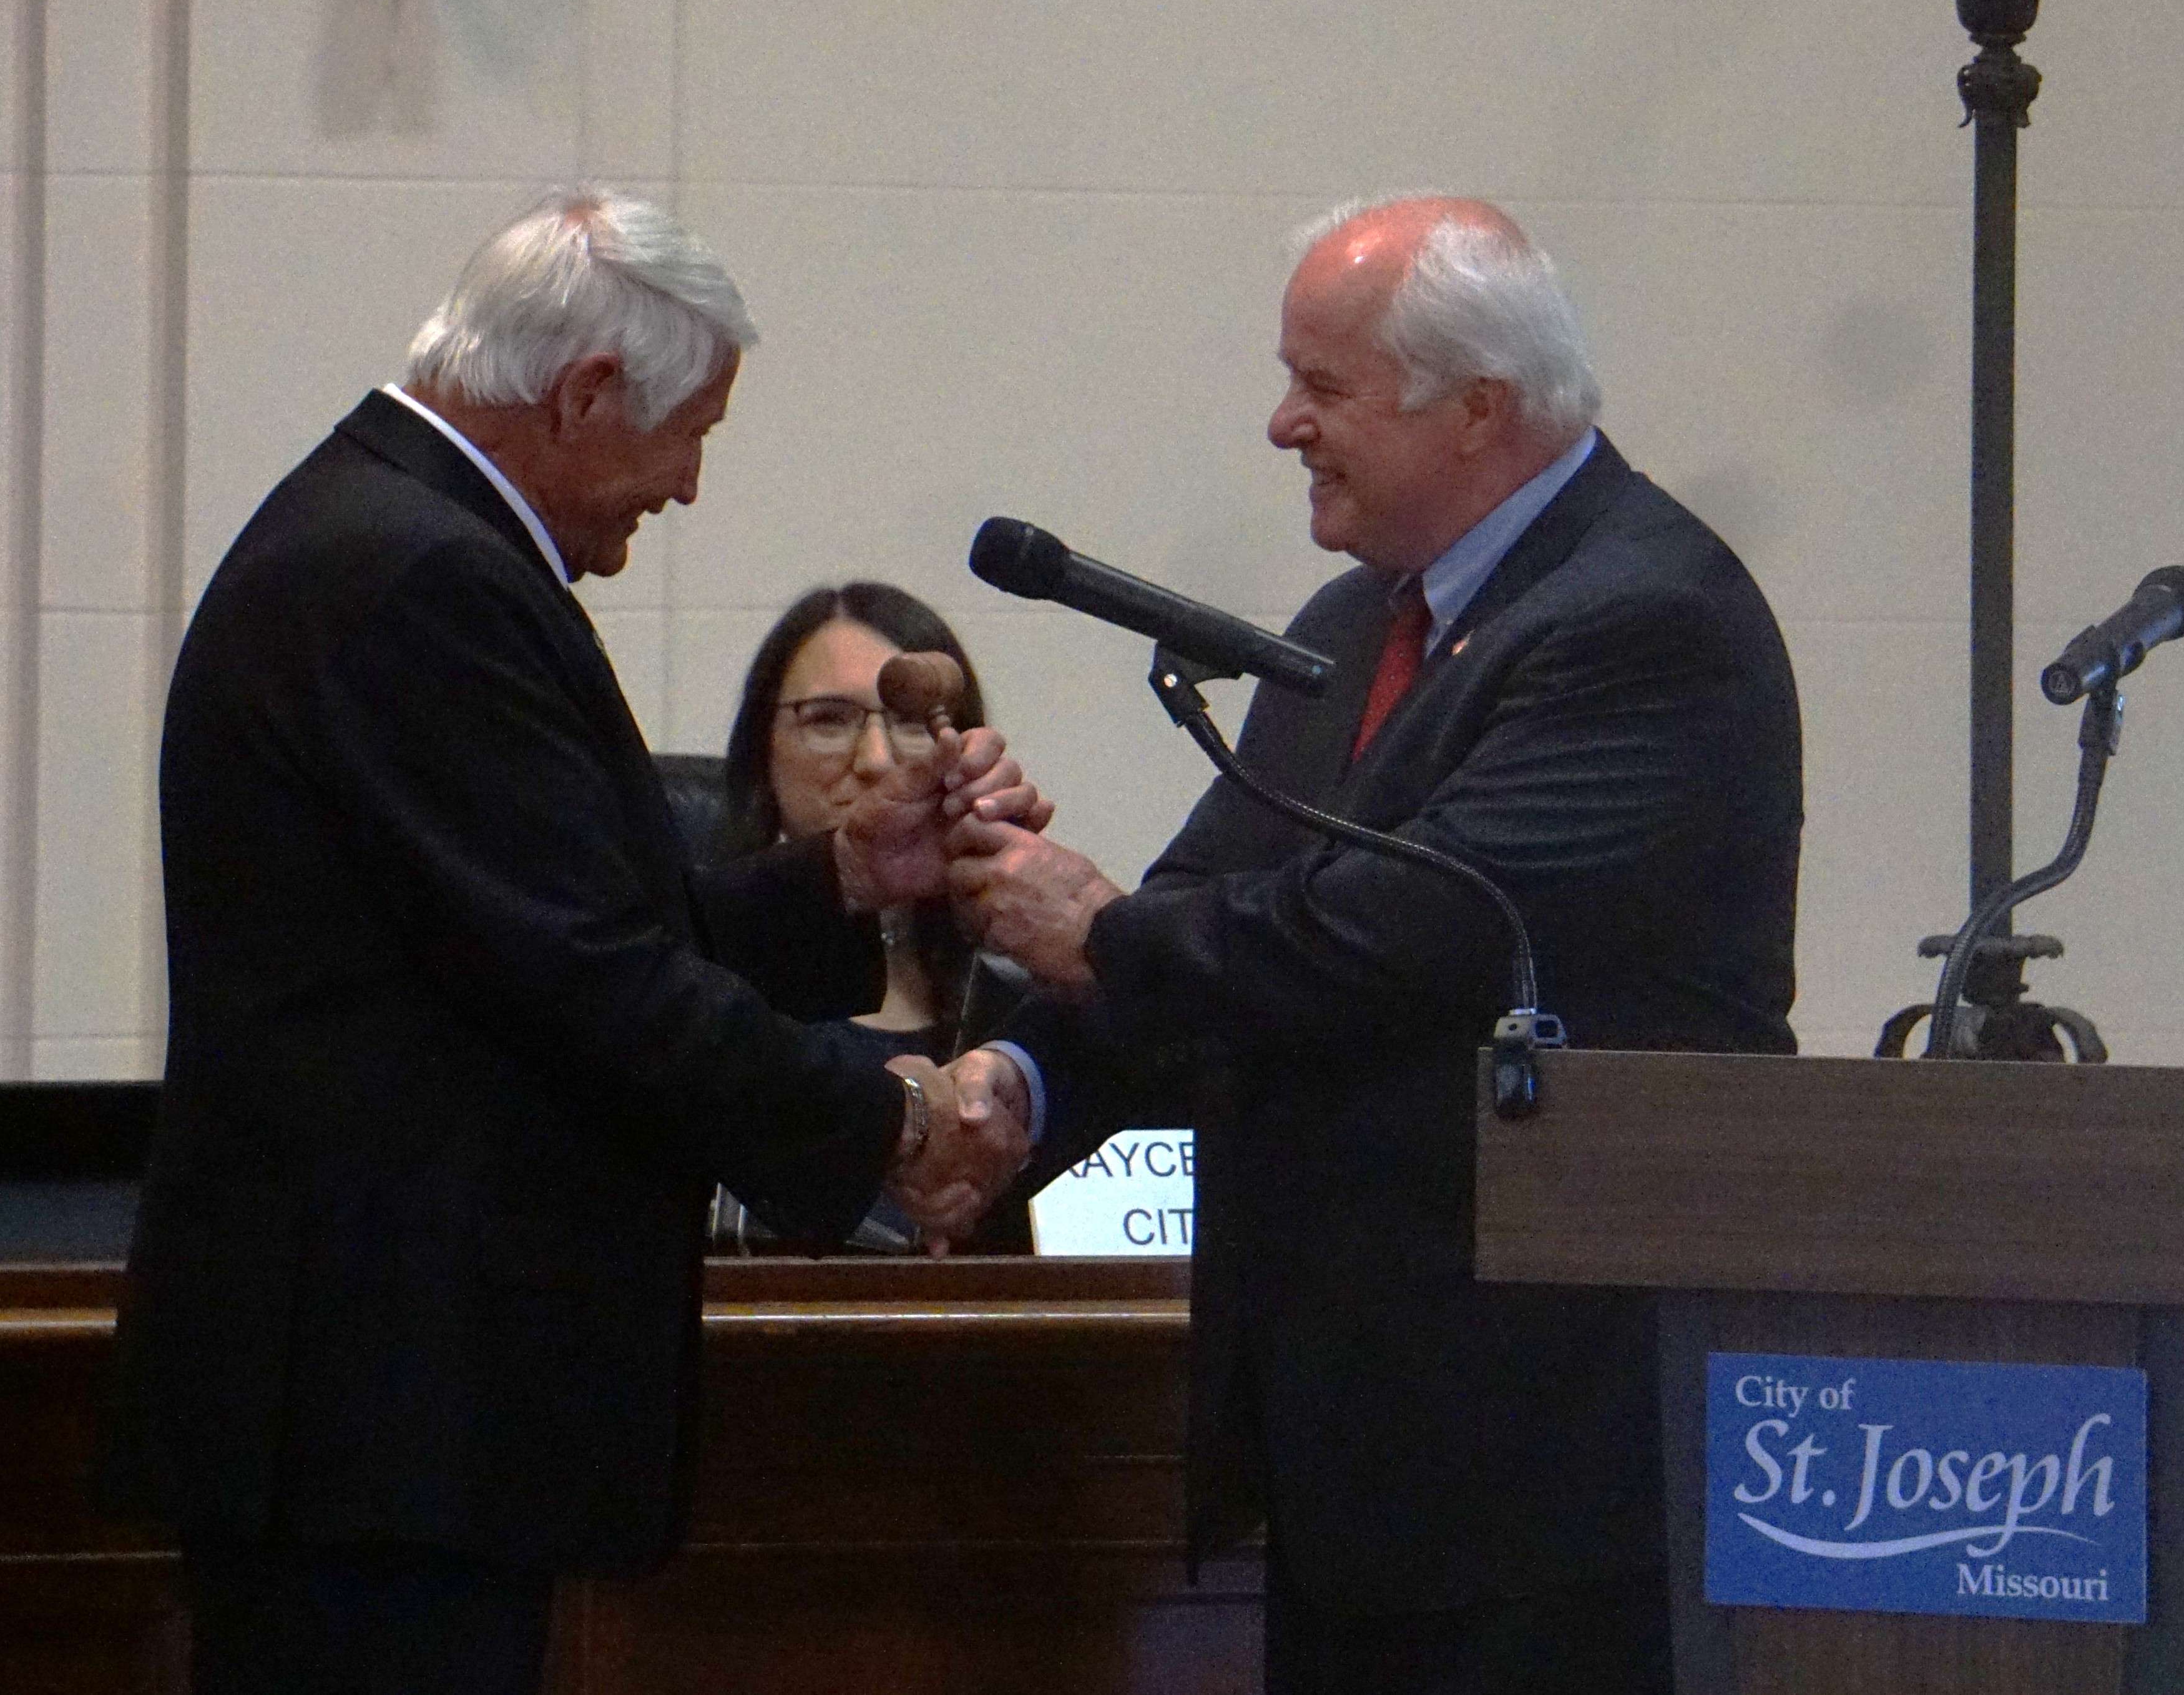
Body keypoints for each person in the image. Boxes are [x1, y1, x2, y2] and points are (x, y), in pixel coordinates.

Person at [105, 189, 1038, 1695]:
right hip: (382, 1420)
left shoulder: (394, 535)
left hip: (386, 1420)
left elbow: (574, 933)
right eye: (691, 435)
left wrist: (852, 876)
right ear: (587, 391)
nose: (680, 488)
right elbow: (588, 984)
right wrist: (896, 1116)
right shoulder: (422, 576)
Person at [936, 195, 1803, 1693]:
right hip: (1346, 1453)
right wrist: (1017, 1079)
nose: (1283, 426)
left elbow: (1414, 937)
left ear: (1479, 410)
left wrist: (1104, 937)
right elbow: (1200, 919)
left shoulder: (1646, 617)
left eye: (1323, 388)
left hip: (1545, 1457)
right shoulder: (1353, 622)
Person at [707, 582, 1036, 1252]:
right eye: (829, 718)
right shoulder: (694, 983)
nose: (877, 759)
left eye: (913, 720)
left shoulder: (1020, 1014)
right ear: (761, 751)